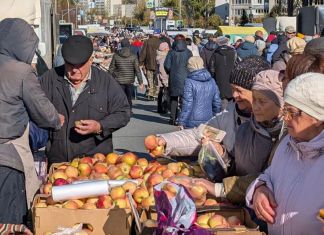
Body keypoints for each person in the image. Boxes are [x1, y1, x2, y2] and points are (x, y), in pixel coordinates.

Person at [0, 18, 63, 224]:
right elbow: (43, 112)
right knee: (11, 220)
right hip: (7, 156)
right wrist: (57, 120)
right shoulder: (21, 72)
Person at [190, 70, 284, 205]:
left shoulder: (290, 138)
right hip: (242, 208)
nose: (256, 106)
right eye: (255, 100)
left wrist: (220, 189)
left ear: (281, 104)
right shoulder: (244, 131)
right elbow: (237, 170)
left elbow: (275, 178)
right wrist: (221, 155)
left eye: (262, 101)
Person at [246, 73, 324, 235]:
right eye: (285, 110)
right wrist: (260, 188)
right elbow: (269, 175)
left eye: (292, 112)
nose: (285, 118)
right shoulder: (287, 145)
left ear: (317, 117)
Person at [40, 35, 130, 165]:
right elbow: (33, 108)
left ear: (90, 60)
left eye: (80, 65)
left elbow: (123, 112)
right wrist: (48, 117)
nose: (75, 70)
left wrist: (100, 126)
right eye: (70, 65)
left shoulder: (105, 81)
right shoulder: (50, 78)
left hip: (96, 163)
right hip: (59, 162)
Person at [155, 56, 270, 159]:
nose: (234, 95)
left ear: (257, 92)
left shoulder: (275, 126)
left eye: (239, 90)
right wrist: (165, 141)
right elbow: (199, 135)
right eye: (233, 89)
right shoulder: (229, 114)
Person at [177, 56, 221, 129]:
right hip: (209, 119)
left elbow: (187, 103)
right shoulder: (212, 81)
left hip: (191, 120)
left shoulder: (189, 81)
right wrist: (216, 119)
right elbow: (217, 103)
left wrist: (181, 121)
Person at [164, 35, 193, 125]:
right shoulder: (188, 52)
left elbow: (167, 65)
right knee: (185, 99)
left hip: (174, 77)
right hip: (186, 77)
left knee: (173, 98)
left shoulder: (171, 52)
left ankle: (172, 118)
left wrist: (170, 71)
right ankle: (183, 118)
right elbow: (191, 65)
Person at [109, 38, 144, 110]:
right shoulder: (133, 56)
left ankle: (121, 110)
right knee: (129, 97)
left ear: (121, 45)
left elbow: (111, 68)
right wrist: (141, 82)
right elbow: (137, 70)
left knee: (120, 96)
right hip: (130, 80)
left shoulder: (116, 55)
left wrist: (108, 79)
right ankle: (129, 110)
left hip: (119, 79)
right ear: (129, 45)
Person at [208, 36, 236, 110]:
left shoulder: (215, 53)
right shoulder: (233, 52)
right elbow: (237, 65)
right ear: (227, 42)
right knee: (232, 98)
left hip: (219, 79)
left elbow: (211, 68)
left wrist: (213, 77)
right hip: (232, 79)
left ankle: (223, 115)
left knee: (222, 99)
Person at [139, 29, 161, 100]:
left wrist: (141, 62)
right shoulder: (161, 42)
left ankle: (150, 93)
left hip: (149, 63)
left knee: (150, 79)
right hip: (158, 64)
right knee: (157, 79)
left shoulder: (147, 42)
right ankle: (156, 93)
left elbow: (143, 53)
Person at [156, 42, 170, 114]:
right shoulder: (164, 57)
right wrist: (165, 81)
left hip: (159, 78)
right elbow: (162, 70)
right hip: (164, 78)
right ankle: (164, 108)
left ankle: (160, 107)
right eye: (167, 47)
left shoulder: (159, 55)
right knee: (165, 94)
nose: (168, 49)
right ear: (164, 49)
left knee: (160, 93)